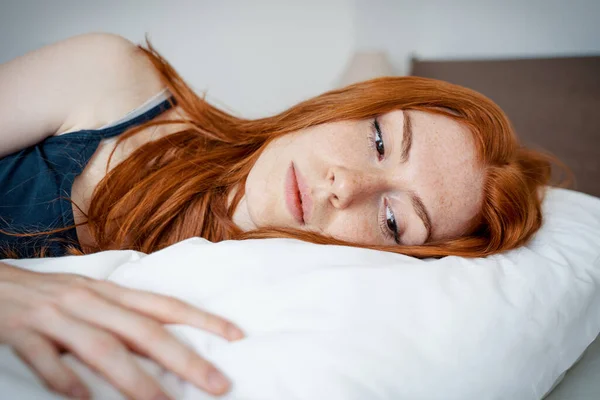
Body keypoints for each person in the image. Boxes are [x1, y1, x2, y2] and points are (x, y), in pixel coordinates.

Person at [0, 33, 560, 399]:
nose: (347, 185)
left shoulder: (282, 320)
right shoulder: (108, 79)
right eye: (379, 139)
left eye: (393, 222)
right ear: (348, 104)